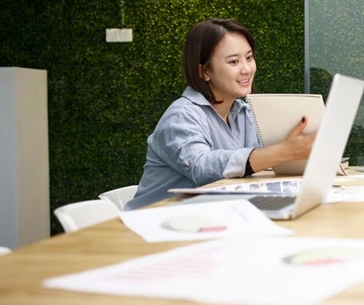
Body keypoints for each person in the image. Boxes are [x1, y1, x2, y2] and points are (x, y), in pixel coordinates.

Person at [126, 18, 315, 210]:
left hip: (212, 216)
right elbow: (202, 168)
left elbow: (262, 161)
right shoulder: (181, 116)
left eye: (249, 58)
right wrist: (283, 151)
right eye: (234, 61)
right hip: (152, 221)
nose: (247, 69)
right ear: (205, 71)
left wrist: (297, 149)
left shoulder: (244, 113)